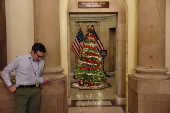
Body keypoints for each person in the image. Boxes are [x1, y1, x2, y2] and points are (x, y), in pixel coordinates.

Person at [1, 43, 50, 113]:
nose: (39, 58)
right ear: (32, 52)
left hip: (36, 91)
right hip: (22, 90)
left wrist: (43, 80)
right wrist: (9, 85)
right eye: (38, 56)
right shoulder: (20, 59)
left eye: (41, 56)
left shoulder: (42, 62)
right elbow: (5, 72)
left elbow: (37, 77)